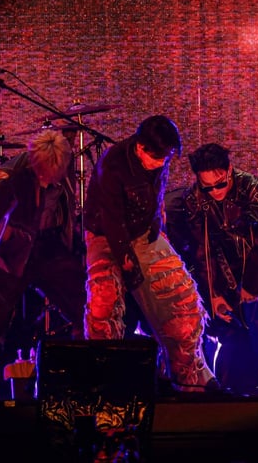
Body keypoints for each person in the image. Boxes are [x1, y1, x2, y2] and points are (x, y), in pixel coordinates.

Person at [0, 129, 86, 399]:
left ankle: (84, 378)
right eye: (43, 173)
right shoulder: (9, 178)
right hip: (13, 249)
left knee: (86, 303)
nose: (48, 179)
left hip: (48, 245)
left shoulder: (63, 169)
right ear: (34, 162)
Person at [82, 115, 217, 393]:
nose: (162, 162)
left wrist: (158, 228)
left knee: (182, 300)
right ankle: (104, 382)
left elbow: (155, 198)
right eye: (157, 157)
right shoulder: (113, 163)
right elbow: (111, 218)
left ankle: (189, 373)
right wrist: (127, 261)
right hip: (105, 235)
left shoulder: (158, 160)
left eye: (166, 157)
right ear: (140, 147)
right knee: (103, 304)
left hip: (144, 234)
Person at [173, 142, 258, 395]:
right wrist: (214, 294)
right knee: (226, 319)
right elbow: (203, 250)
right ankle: (238, 381)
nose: (214, 192)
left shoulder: (252, 188)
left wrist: (251, 285)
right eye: (207, 187)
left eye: (220, 184)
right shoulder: (194, 199)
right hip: (224, 263)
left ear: (229, 171)